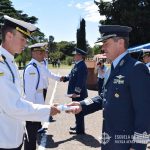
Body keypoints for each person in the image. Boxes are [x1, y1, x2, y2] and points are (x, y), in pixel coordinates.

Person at [66, 25, 150, 150]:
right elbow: (104, 96)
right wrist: (82, 105)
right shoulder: (112, 68)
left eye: (106, 43)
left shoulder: (136, 69)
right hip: (109, 139)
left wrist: (138, 146)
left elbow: (144, 113)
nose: (102, 47)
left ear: (120, 43)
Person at [0, 15, 60, 150]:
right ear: (9, 36)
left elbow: (19, 97)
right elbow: (13, 106)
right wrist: (47, 110)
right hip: (4, 138)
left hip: (13, 135)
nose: (25, 44)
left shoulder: (9, 61)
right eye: (22, 39)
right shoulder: (1, 64)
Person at [62, 48, 88, 134]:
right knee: (76, 110)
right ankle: (78, 126)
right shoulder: (77, 65)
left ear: (80, 56)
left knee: (78, 111)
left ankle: (79, 130)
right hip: (75, 93)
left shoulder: (82, 66)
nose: (74, 56)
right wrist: (65, 78)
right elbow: (71, 75)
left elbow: (81, 81)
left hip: (78, 94)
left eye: (76, 55)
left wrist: (76, 92)